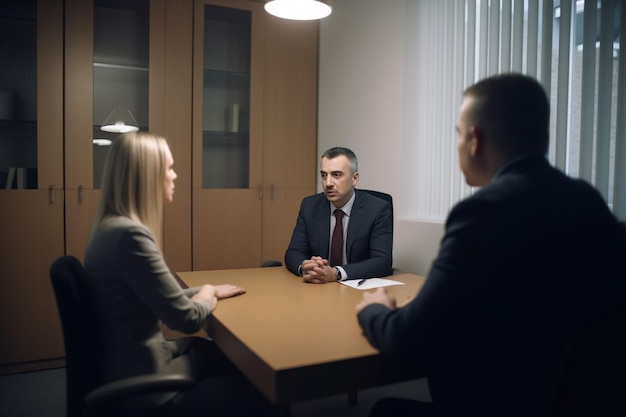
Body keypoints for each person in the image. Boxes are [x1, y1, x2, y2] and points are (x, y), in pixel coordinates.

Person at [356, 74, 626, 416]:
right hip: (570, 401)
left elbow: (408, 339)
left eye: (457, 132)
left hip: (498, 402)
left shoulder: (482, 212)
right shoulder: (590, 202)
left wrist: (373, 309)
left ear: (475, 140)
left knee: (384, 410)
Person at [83, 132, 286, 417]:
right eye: (168, 168)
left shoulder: (110, 228)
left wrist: (206, 290)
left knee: (223, 356)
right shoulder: (130, 236)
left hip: (126, 365)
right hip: (149, 390)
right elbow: (186, 319)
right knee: (270, 398)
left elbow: (156, 298)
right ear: (147, 176)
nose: (175, 176)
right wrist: (207, 293)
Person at [284, 146, 393, 283]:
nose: (328, 183)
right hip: (318, 288)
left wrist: (336, 273)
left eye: (336, 175)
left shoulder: (377, 208)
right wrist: (306, 267)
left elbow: (382, 261)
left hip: (356, 289)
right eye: (324, 175)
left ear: (354, 178)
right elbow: (293, 252)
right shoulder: (310, 206)